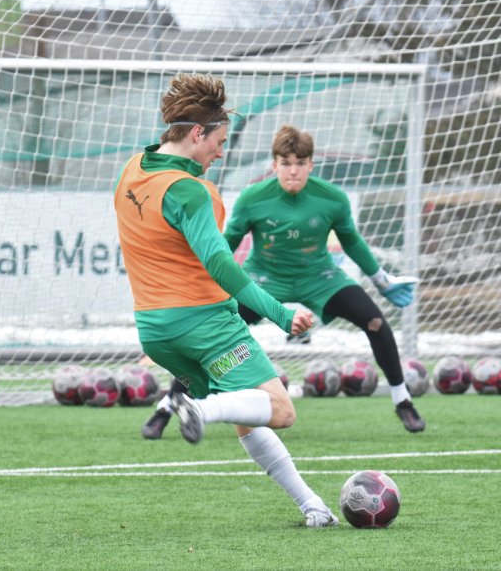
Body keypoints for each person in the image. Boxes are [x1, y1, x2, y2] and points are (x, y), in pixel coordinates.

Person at [113, 74, 339, 528]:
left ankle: (313, 506)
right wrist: (280, 313)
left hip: (155, 332)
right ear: (197, 133)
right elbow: (221, 266)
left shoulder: (134, 168)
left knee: (247, 414)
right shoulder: (193, 192)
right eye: (219, 142)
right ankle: (198, 408)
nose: (221, 153)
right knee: (280, 410)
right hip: (205, 324)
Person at [142, 124, 426, 438]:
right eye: (286, 163)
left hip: (320, 278)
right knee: (211, 336)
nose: (293, 171)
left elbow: (352, 241)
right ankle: (168, 405)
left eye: (300, 163)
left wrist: (381, 279)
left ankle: (403, 401)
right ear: (274, 164)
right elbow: (227, 242)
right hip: (264, 279)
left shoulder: (333, 199)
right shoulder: (253, 198)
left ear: (311, 165)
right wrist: (199, 281)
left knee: (376, 322)